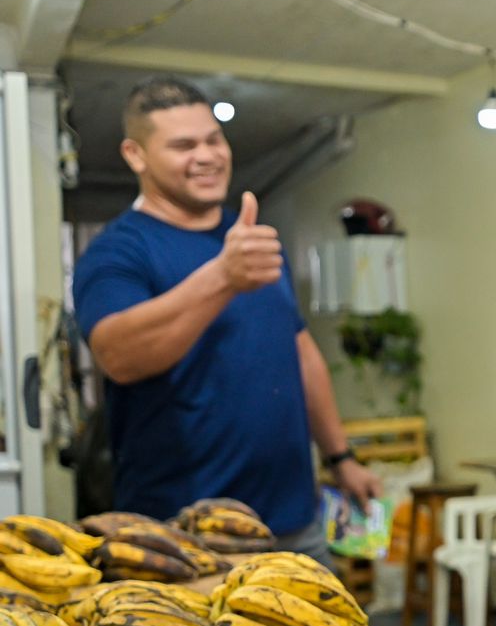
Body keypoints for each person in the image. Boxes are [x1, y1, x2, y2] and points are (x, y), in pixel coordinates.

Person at [74, 76, 381, 566]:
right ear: (136, 155)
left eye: (213, 139)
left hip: (293, 522)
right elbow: (118, 356)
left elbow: (298, 350)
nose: (207, 155)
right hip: (181, 538)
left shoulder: (249, 238)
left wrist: (340, 458)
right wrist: (222, 277)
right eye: (183, 145)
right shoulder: (118, 251)